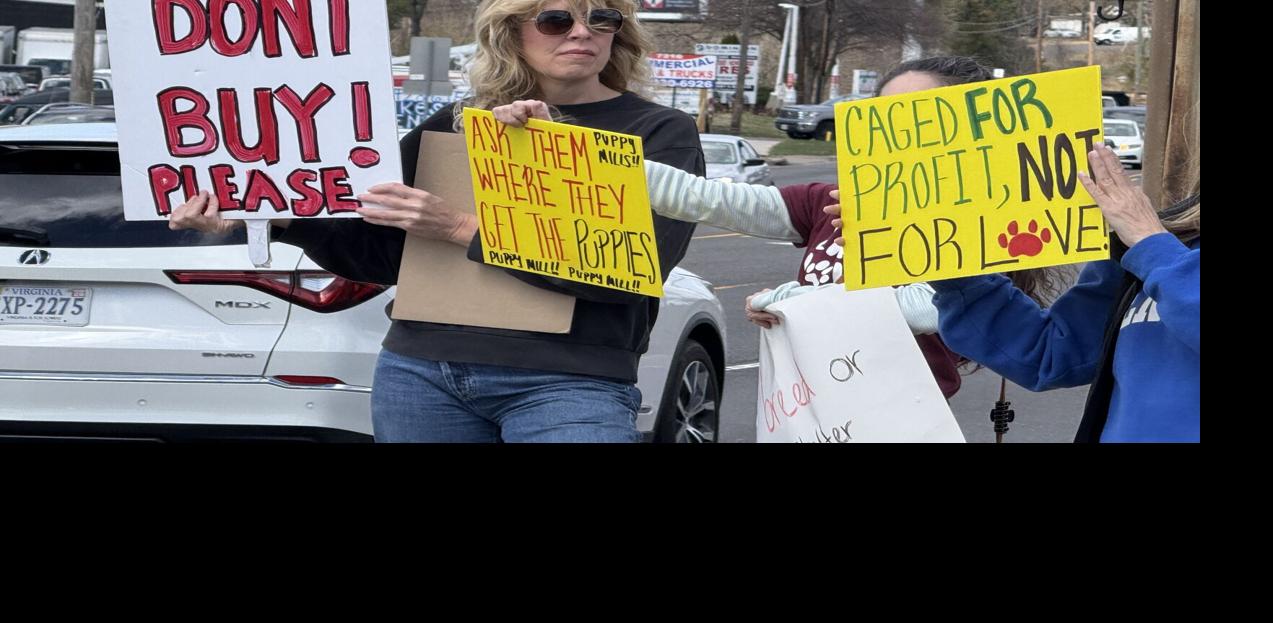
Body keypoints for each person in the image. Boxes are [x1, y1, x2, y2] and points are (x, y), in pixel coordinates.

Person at [169, 0, 704, 442]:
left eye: (603, 19)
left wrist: (457, 227)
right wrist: (279, 216)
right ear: (512, 33)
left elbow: (632, 265)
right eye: (557, 20)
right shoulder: (451, 125)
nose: (582, 33)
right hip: (423, 371)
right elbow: (376, 255)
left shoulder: (660, 133)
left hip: (569, 381)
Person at [501, 56, 1062, 400]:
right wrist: (569, 145)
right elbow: (704, 198)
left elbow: (931, 308)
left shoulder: (983, 221)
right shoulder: (828, 200)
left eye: (919, 114)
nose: (898, 128)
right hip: (807, 400)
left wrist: (795, 299)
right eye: (885, 111)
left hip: (898, 409)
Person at [926, 103, 1201, 442]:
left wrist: (1153, 247)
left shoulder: (1152, 243)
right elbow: (1051, 353)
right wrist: (953, 267)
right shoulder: (1158, 241)